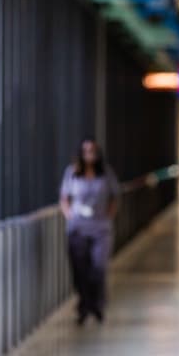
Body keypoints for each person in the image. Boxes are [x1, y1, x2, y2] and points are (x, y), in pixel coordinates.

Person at [59, 138, 120, 324]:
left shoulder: (106, 173)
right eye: (86, 151)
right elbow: (64, 197)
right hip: (78, 228)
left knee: (98, 268)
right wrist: (69, 215)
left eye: (92, 151)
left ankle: (97, 304)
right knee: (80, 270)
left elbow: (115, 196)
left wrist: (108, 215)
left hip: (100, 228)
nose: (89, 155)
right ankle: (84, 305)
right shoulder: (72, 173)